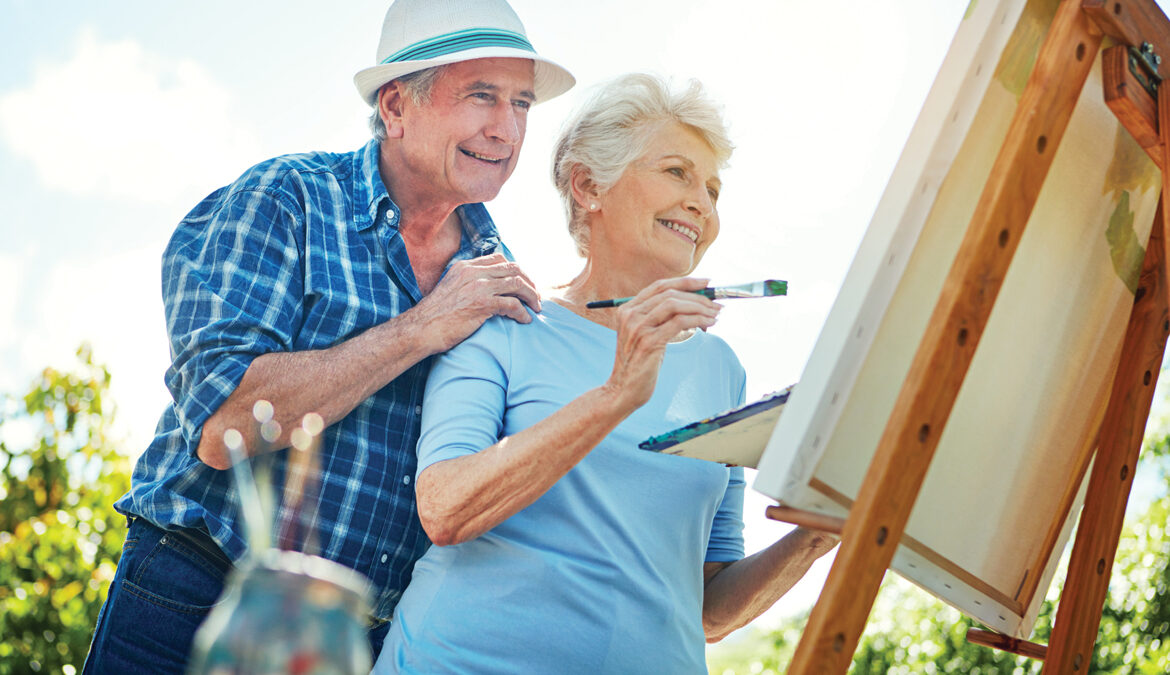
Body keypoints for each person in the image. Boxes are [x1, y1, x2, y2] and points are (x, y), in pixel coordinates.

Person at [81, 0, 574, 671]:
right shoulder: (286, 199)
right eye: (481, 96)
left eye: (520, 103)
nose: (506, 128)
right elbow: (227, 422)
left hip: (352, 638)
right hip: (200, 596)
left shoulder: (495, 276)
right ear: (396, 107)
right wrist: (422, 327)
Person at [373, 74, 837, 674]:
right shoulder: (506, 323)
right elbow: (446, 510)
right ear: (589, 185)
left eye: (713, 188)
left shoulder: (721, 370)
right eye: (677, 172)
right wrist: (617, 394)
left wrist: (824, 528)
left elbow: (709, 609)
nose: (703, 202)